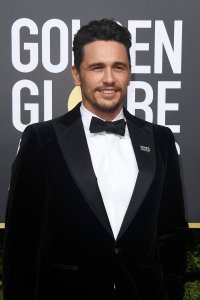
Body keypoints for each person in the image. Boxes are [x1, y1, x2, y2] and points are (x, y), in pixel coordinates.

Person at [3, 18, 188, 300]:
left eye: (119, 67)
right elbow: (21, 243)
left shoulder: (160, 140)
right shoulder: (41, 139)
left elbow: (171, 234)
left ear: (129, 73)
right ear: (77, 74)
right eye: (97, 67)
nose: (109, 79)